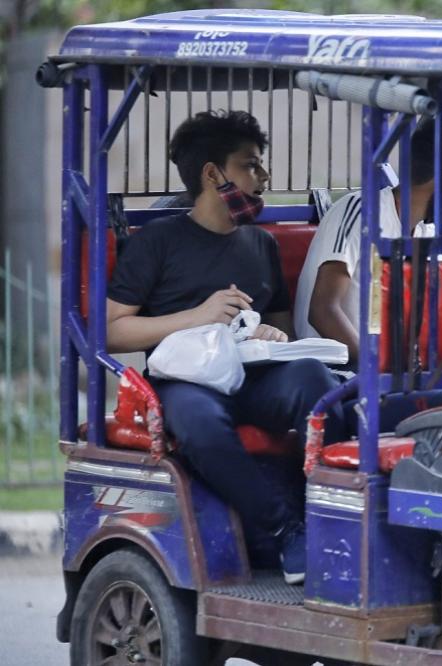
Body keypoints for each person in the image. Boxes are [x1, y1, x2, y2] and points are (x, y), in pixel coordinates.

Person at [106, 110, 346, 585]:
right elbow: (113, 331)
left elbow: (280, 329)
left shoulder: (261, 244)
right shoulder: (156, 243)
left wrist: (273, 337)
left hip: (253, 375)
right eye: (251, 166)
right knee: (199, 423)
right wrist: (198, 316)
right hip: (185, 381)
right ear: (213, 174)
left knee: (318, 385)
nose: (263, 178)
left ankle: (338, 518)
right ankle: (283, 528)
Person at [293, 120, 442, 356]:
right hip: (339, 370)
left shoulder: (430, 233)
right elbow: (323, 311)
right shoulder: (362, 211)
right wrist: (377, 369)